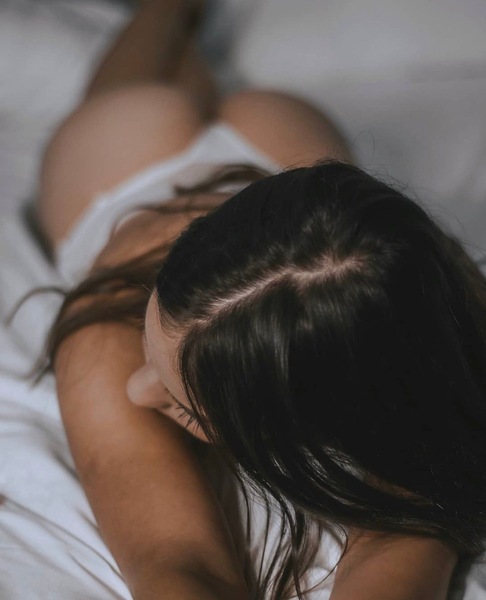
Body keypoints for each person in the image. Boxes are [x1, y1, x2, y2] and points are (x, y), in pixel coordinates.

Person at [32, 0, 486, 598]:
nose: (136, 391)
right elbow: (174, 560)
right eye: (149, 339)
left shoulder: (407, 328)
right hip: (122, 160)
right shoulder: (101, 334)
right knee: (149, 62)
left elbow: (405, 530)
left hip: (286, 163)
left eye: (187, 408)